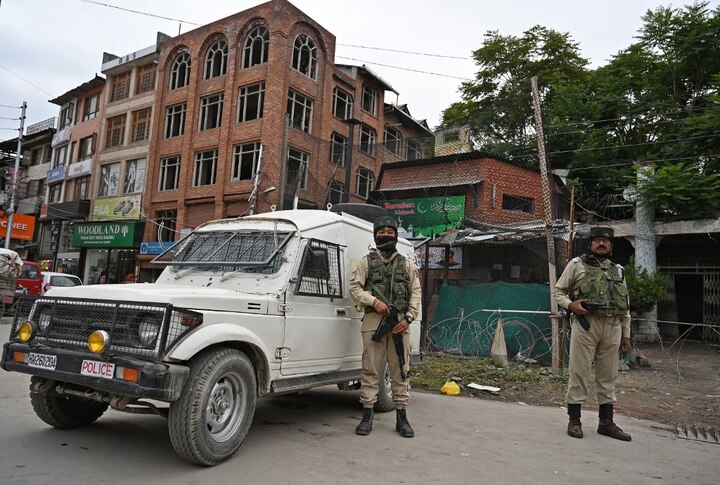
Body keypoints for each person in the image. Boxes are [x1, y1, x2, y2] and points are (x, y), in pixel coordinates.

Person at [553, 226, 632, 441]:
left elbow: (625, 308)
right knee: (579, 373)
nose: (601, 244)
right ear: (590, 244)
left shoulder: (618, 270)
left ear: (611, 246)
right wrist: (571, 306)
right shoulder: (576, 265)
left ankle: (606, 423)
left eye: (605, 241)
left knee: (608, 376)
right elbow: (558, 291)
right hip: (586, 324)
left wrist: (626, 335)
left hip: (612, 327)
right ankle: (574, 421)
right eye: (597, 240)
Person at [350, 215, 422, 438]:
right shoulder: (366, 262)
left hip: (400, 324)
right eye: (382, 232)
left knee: (400, 369)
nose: (386, 235)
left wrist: (408, 318)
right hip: (374, 323)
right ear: (375, 235)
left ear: (396, 235)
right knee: (370, 369)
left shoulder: (407, 264)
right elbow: (355, 288)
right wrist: (375, 302)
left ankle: (402, 417)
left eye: (390, 232)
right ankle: (367, 415)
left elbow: (416, 293)